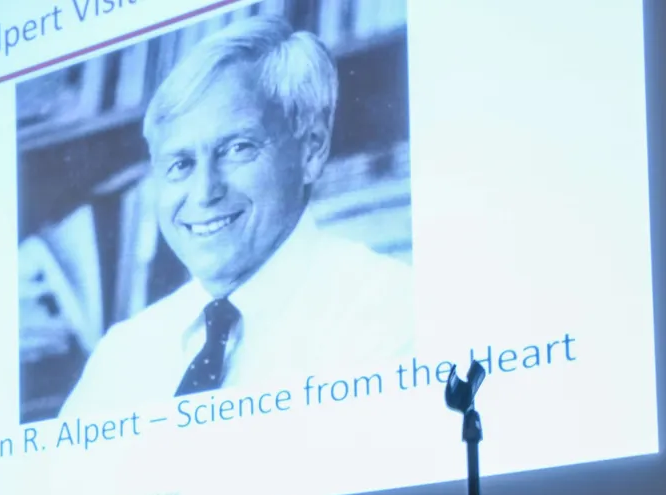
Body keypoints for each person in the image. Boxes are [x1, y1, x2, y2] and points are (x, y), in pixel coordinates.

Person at [56, 15, 413, 419]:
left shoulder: (390, 311)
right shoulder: (121, 355)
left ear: (311, 149)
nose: (205, 192)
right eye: (180, 164)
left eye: (237, 149)